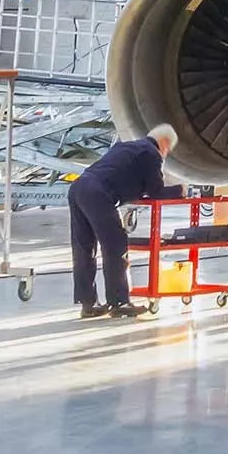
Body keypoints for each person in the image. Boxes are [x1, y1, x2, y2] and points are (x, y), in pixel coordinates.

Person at [69, 124, 183, 318]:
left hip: (79, 187)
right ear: (164, 144)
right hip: (98, 193)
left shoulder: (127, 147)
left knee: (84, 247)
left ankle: (87, 303)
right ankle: (119, 302)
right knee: (115, 244)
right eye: (168, 151)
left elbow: (123, 176)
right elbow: (156, 191)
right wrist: (181, 190)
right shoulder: (151, 154)